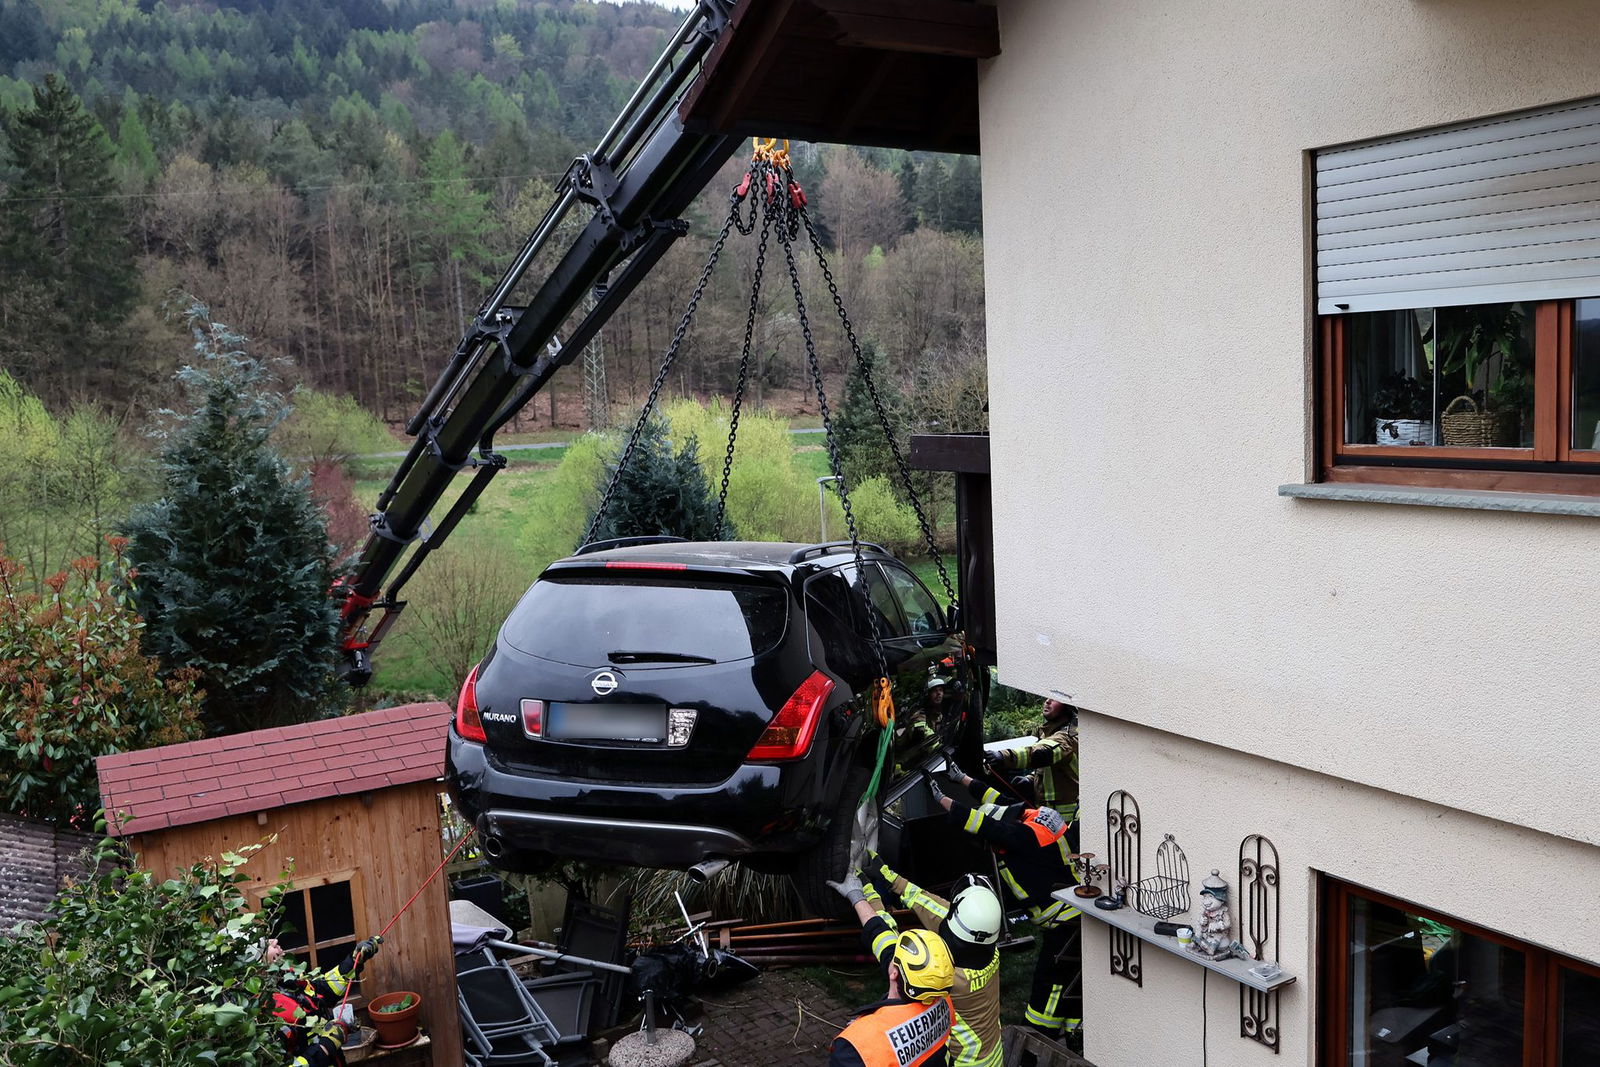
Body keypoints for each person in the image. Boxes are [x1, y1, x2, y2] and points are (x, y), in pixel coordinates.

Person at [925, 769, 1082, 1043]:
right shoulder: (1032, 816)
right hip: (1075, 912)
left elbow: (984, 825)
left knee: (1049, 984)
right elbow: (997, 799)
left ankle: (1038, 1038)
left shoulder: (1020, 837)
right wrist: (962, 778)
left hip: (1064, 923)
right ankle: (1074, 1034)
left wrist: (941, 800)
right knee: (1073, 979)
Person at [834, 855, 1005, 1067]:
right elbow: (940, 910)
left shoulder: (945, 976)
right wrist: (892, 878)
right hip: (994, 1055)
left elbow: (889, 943)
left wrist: (866, 894)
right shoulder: (988, 948)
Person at [822, 911, 955, 1067]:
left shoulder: (854, 1049)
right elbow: (886, 947)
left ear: (894, 973)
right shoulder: (943, 1000)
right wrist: (858, 901)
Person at [268, 936, 382, 1067]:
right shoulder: (267, 1016)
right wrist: (326, 1047)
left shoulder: (286, 981)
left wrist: (353, 961)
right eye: (265, 944)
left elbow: (323, 990)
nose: (274, 941)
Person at [983, 698, 1079, 831]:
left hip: (1064, 822)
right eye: (1047, 697)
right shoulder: (1050, 731)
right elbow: (1052, 770)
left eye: (1055, 699)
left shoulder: (1067, 737)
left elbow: (1040, 754)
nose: (1047, 701)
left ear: (1067, 706)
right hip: (1049, 818)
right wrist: (1030, 780)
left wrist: (1002, 756)